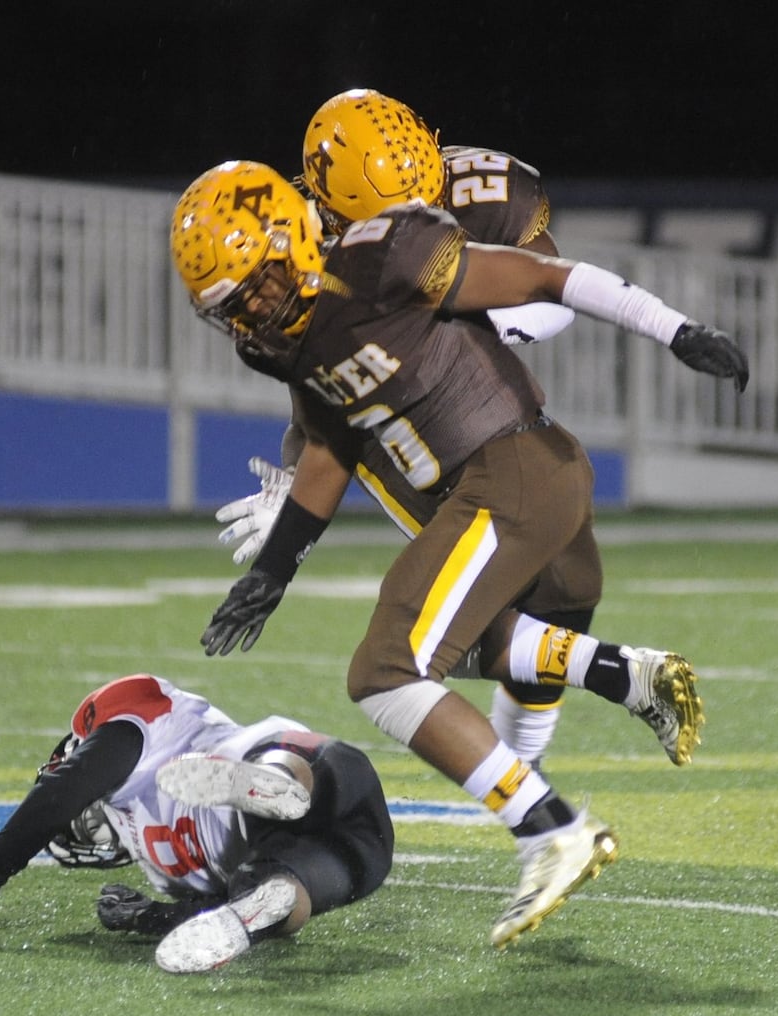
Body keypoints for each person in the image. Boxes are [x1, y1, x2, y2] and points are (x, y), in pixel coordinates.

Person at [170, 159, 746, 947]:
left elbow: (546, 277)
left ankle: (552, 830)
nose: (256, 313)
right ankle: (622, 676)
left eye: (262, 285)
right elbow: (333, 444)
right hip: (489, 486)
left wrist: (675, 328)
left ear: (296, 237)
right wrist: (274, 572)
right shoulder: (276, 343)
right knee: (459, 645)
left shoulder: (383, 254)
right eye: (233, 307)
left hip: (509, 471)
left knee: (386, 670)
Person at [218, 88, 582, 770]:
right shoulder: (302, 246)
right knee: (487, 591)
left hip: (483, 401)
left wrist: (485, 320)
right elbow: (323, 399)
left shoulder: (488, 192)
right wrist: (296, 483)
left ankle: (526, 757)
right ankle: (528, 762)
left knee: (555, 588)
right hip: (392, 428)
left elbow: (549, 276)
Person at [0, 673, 395, 973]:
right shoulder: (163, 872)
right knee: (262, 886)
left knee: (275, 768)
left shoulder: (144, 739)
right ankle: (267, 896)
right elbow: (203, 916)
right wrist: (148, 918)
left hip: (298, 774)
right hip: (356, 841)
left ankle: (270, 790)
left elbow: (61, 792)